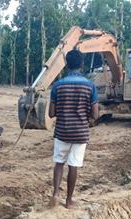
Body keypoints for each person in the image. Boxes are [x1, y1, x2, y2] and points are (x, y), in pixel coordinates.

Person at [48, 49, 99, 209]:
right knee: (73, 165)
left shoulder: (57, 85)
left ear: (66, 64)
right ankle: (69, 201)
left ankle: (55, 194)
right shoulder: (90, 86)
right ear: (82, 64)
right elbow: (95, 114)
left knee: (58, 163)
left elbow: (51, 113)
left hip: (62, 130)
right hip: (80, 132)